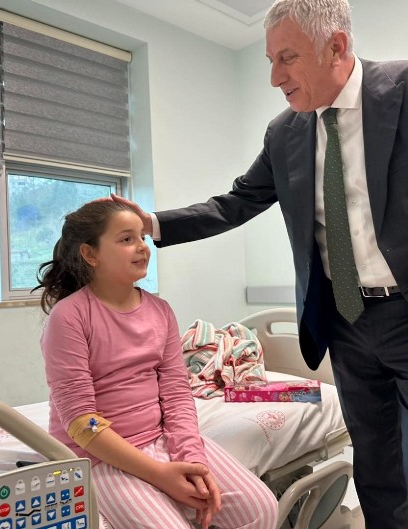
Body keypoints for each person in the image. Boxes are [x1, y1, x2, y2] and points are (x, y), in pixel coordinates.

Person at [108, 1, 408, 528]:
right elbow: (236, 203)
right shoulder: (286, 132)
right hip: (348, 325)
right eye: (270, 61)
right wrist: (153, 223)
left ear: (335, 47)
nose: (275, 78)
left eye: (287, 58)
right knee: (377, 475)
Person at [35, 201, 279, 529]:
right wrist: (159, 474)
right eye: (126, 239)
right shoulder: (69, 317)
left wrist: (192, 460)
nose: (142, 247)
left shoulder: (160, 311)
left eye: (142, 237)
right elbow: (82, 422)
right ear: (91, 254)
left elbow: (177, 394)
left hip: (160, 437)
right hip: (99, 455)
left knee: (260, 509)